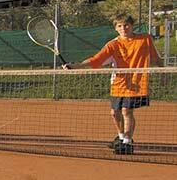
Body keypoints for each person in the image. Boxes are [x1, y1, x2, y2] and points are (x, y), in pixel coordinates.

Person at [62, 13, 161, 155]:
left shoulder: (144, 39)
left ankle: (127, 142)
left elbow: (155, 57)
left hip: (136, 83)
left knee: (127, 111)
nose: (123, 28)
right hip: (118, 84)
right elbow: (96, 60)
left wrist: (163, 71)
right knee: (114, 113)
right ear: (116, 28)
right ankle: (121, 136)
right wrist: (75, 66)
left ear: (132, 26)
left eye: (126, 25)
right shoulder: (113, 44)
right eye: (120, 26)